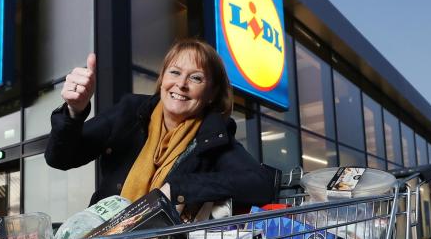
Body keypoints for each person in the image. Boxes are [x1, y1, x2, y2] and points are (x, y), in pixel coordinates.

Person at [45, 38, 276, 214]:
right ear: (163, 79)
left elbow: (261, 184)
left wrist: (178, 189)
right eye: (174, 72)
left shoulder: (212, 136)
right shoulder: (129, 112)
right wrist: (74, 111)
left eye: (196, 78)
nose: (181, 84)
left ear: (211, 94)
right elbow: (60, 158)